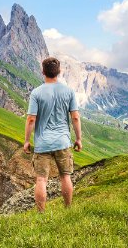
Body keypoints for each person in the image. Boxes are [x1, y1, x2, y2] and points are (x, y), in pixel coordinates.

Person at [23, 57, 82, 212]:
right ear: (59, 71)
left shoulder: (36, 93)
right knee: (65, 176)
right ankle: (68, 209)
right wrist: (79, 139)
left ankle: (41, 213)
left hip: (42, 144)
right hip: (63, 142)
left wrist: (26, 141)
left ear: (43, 72)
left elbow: (30, 119)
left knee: (41, 180)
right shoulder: (68, 92)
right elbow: (75, 117)